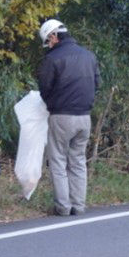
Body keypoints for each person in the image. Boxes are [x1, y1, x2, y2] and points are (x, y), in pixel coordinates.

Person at [37, 19, 100, 216]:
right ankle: (79, 205)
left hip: (61, 116)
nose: (48, 45)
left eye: (48, 41)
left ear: (54, 36)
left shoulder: (52, 59)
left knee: (57, 160)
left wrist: (51, 103)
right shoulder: (89, 56)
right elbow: (97, 83)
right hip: (85, 117)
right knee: (78, 161)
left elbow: (44, 88)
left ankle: (63, 207)